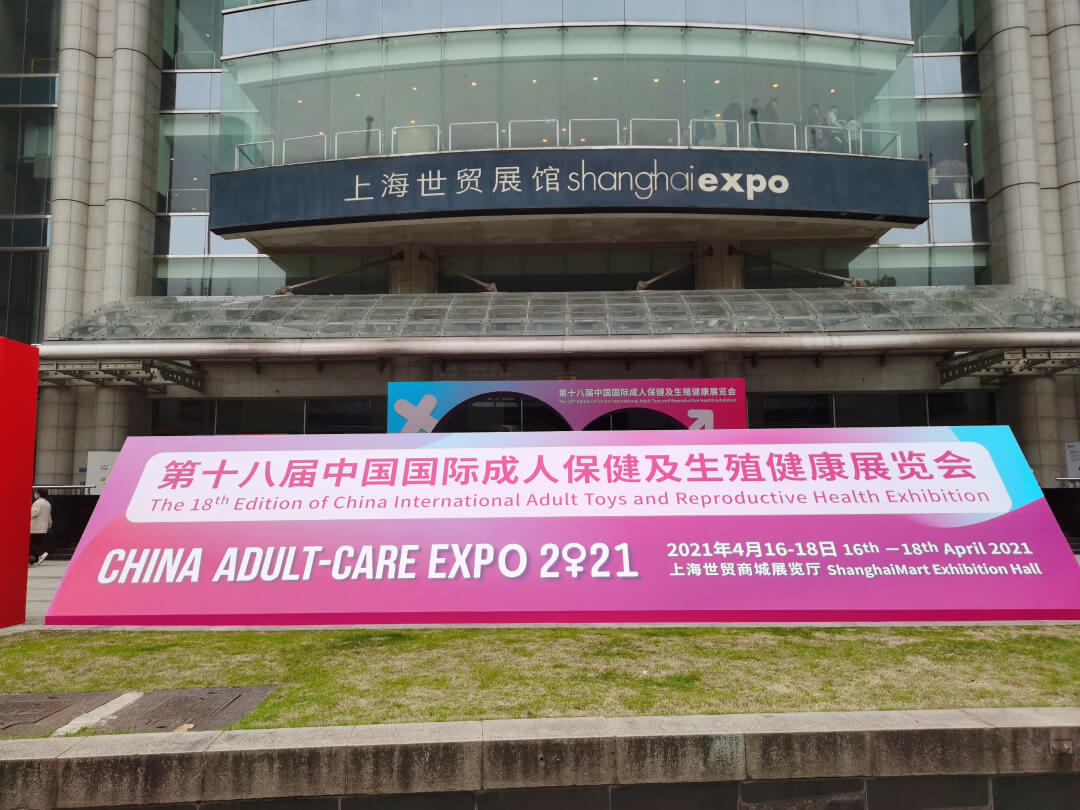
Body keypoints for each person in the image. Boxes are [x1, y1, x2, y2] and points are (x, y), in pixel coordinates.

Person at [29, 488, 52, 566]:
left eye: (36, 493)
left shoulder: (37, 503)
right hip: (43, 528)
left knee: (30, 544)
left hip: (35, 528)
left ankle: (41, 554)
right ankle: (34, 560)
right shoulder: (48, 503)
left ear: (38, 494)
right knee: (37, 544)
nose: (35, 494)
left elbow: (34, 513)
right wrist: (49, 525)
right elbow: (49, 516)